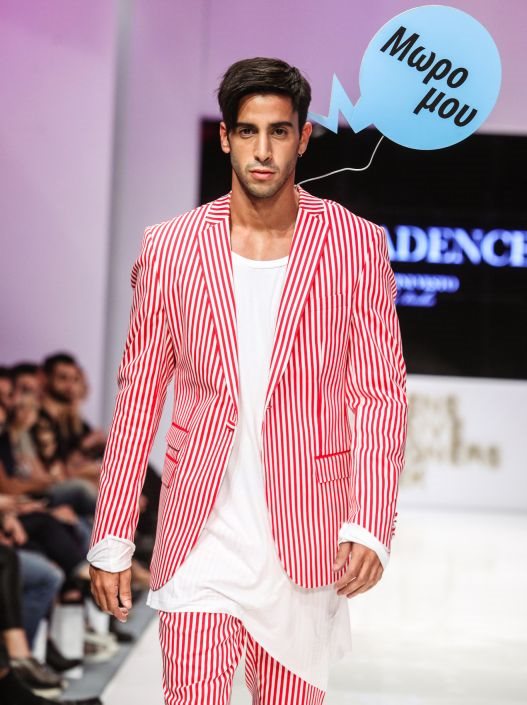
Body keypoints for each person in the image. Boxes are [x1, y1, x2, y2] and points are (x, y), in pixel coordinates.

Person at [88, 57, 408, 703]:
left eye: (279, 131)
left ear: (303, 137)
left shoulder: (355, 245)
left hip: (305, 534)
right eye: (248, 131)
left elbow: (379, 393)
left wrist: (371, 520)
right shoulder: (170, 247)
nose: (263, 150)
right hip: (200, 533)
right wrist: (113, 532)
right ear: (225, 137)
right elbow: (139, 395)